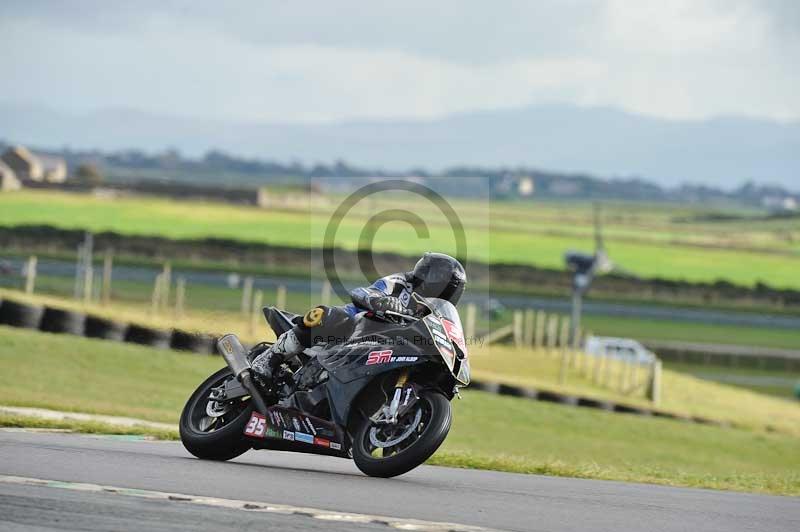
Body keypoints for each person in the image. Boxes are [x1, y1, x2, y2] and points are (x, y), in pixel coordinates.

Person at [251, 252, 466, 380]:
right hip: (357, 327)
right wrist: (380, 300)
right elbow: (362, 292)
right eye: (444, 284)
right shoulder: (402, 283)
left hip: (386, 347)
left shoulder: (436, 312)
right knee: (327, 315)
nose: (445, 290)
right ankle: (270, 357)